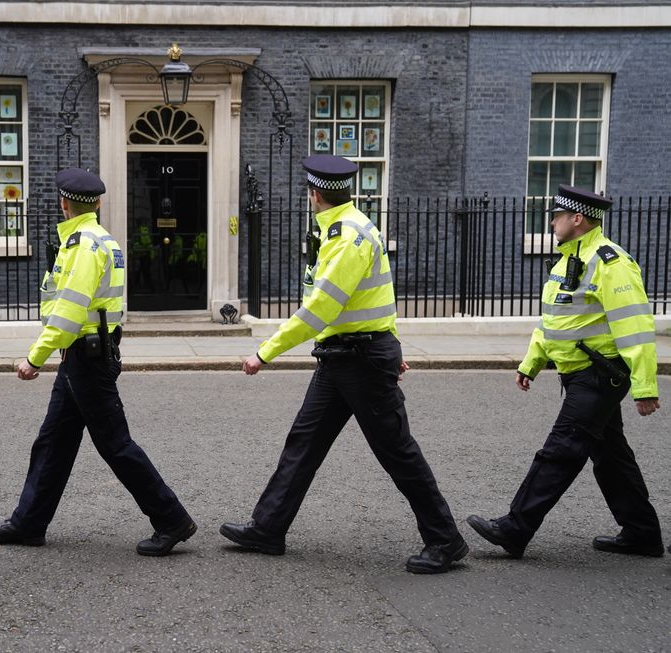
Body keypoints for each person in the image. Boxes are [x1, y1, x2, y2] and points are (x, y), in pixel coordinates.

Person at [220, 154, 467, 574]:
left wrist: (264, 352)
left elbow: (320, 308)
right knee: (304, 441)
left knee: (397, 451)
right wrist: (394, 344)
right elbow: (379, 297)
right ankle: (268, 527)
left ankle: (445, 540)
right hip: (344, 356)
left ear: (314, 194)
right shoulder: (346, 228)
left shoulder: (347, 236)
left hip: (361, 358)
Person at [0, 168, 196, 556]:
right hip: (84, 356)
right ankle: (29, 522)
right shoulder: (102, 239)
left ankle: (171, 519)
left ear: (64, 204)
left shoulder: (82, 247)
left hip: (86, 358)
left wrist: (35, 359)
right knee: (53, 441)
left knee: (116, 445)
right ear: (96, 204)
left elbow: (68, 312)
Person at [467, 185, 664, 558]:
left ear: (577, 218)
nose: (552, 223)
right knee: (611, 457)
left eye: (556, 216)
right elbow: (554, 323)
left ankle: (515, 528)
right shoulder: (565, 262)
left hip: (599, 374)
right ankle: (642, 532)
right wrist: (532, 362)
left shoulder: (611, 263)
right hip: (578, 373)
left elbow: (635, 326)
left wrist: (645, 386)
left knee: (562, 449)